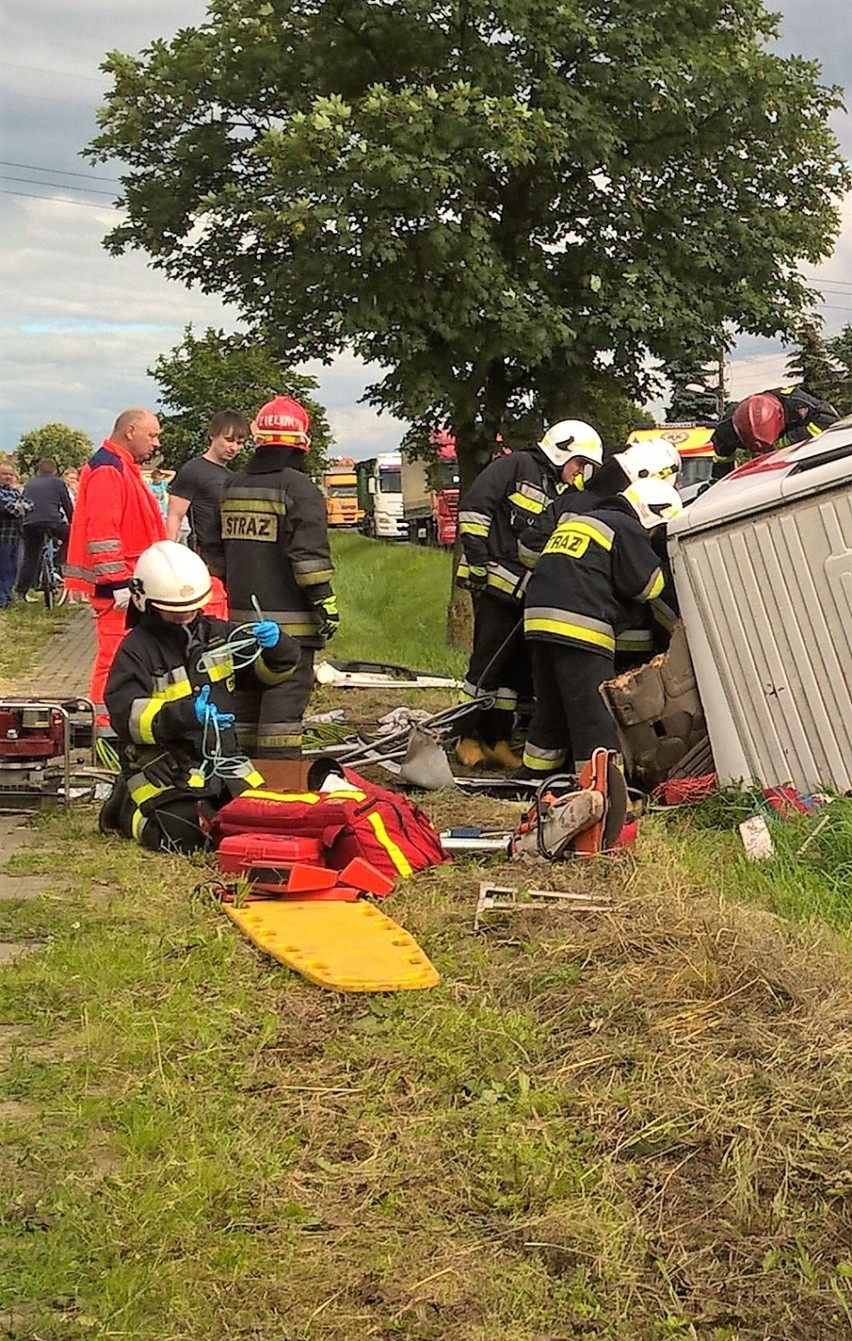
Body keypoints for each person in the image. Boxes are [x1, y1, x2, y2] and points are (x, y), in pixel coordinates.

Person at [100, 541, 300, 852]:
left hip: (223, 761)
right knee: (186, 837)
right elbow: (126, 715)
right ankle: (125, 810)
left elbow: (264, 676)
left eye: (192, 608)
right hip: (162, 764)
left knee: (259, 822)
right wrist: (186, 715)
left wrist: (279, 649)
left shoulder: (218, 635)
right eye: (173, 610)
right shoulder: (136, 650)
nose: (185, 617)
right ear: (146, 602)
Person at [454, 419, 604, 769]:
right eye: (580, 463)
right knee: (486, 667)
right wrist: (477, 561)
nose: (581, 472)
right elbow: (475, 510)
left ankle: (497, 739)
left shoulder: (558, 490)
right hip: (494, 588)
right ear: (562, 449)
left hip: (524, 596)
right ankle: (466, 737)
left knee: (514, 675)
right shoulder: (514, 467)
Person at [519, 477, 683, 779]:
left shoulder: (586, 521)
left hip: (538, 622)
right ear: (652, 514)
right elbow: (646, 586)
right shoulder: (627, 527)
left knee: (551, 709)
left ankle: (532, 779)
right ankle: (602, 789)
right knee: (594, 716)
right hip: (581, 628)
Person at [220, 394, 336, 759]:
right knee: (281, 722)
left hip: (240, 626)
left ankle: (237, 791)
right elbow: (308, 559)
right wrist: (326, 604)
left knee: (244, 713)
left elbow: (217, 554)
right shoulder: (299, 489)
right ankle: (277, 795)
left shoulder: (233, 487)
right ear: (302, 442)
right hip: (292, 633)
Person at [65, 409, 166, 724]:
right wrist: (118, 582)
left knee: (122, 656)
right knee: (115, 658)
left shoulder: (120, 466)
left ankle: (110, 723)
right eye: (152, 435)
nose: (156, 443)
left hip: (129, 583)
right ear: (131, 431)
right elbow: (103, 532)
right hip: (120, 588)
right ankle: (104, 727)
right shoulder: (110, 469)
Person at [166, 410, 249, 620]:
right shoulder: (193, 470)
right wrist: (168, 560)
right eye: (229, 439)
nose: (234, 447)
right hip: (206, 562)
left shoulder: (232, 476)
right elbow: (174, 516)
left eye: (240, 442)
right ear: (213, 435)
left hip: (230, 561)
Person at [710, 387, 838, 477]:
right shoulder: (726, 431)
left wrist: (788, 442)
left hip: (806, 460)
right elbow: (722, 460)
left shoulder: (795, 403)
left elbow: (829, 419)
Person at [12, 458, 75, 603]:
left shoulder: (30, 483)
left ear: (38, 470)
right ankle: (58, 563)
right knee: (71, 536)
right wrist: (73, 522)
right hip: (52, 521)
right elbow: (67, 505)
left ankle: (22, 592)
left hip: (30, 523)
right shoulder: (58, 483)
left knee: (30, 557)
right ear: (55, 471)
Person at [0, 460, 31, 609]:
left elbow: (30, 504)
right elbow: (8, 509)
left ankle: (8, 597)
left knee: (13, 568)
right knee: (3, 568)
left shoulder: (14, 492)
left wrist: (19, 507)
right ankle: (2, 599)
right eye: (4, 474)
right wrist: (20, 507)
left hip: (15, 535)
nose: (8, 477)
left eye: (10, 474)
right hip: (3, 536)